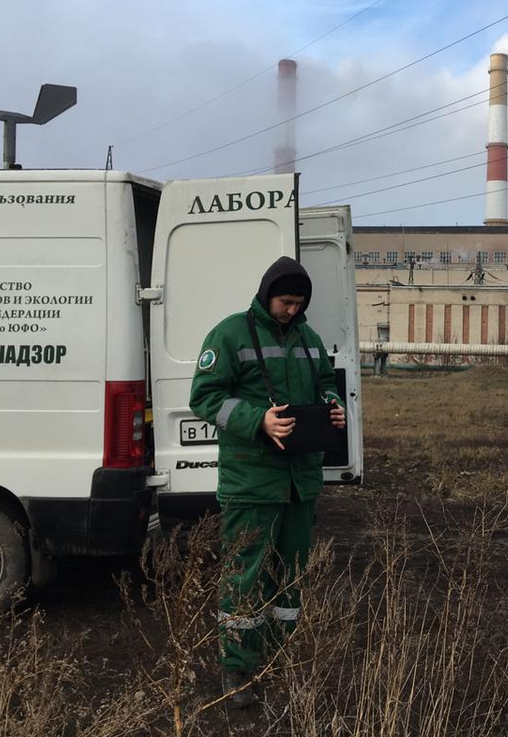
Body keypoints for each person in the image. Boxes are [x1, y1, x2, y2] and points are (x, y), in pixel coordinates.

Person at [189, 256, 346, 709]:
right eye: (285, 301)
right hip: (251, 480)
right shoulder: (231, 333)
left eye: (299, 304)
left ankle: (281, 659)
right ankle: (237, 669)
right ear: (266, 294)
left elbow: (324, 384)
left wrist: (333, 405)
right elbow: (204, 397)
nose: (292, 311)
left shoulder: (309, 338)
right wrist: (258, 420)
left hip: (299, 482)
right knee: (246, 575)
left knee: (289, 575)